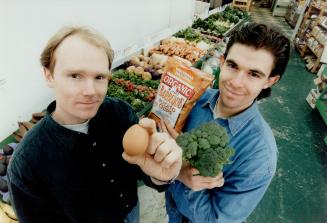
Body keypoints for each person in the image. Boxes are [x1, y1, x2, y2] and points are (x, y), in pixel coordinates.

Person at [7, 26, 182, 223]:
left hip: (132, 213)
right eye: (75, 75)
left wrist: (160, 175)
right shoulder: (27, 165)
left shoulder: (119, 112)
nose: (91, 91)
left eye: (99, 77)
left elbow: (142, 168)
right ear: (49, 75)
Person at [162, 22, 291, 222]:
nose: (236, 82)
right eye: (232, 65)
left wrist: (183, 171)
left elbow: (216, 219)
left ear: (270, 81)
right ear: (222, 62)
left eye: (254, 74)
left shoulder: (260, 155)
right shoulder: (196, 99)